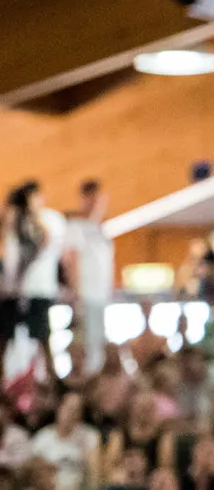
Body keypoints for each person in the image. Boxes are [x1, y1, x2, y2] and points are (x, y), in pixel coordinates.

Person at [4, 182, 65, 379]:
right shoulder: (14, 225)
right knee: (6, 336)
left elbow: (45, 243)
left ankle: (50, 377)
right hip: (12, 292)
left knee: (41, 335)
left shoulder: (47, 221)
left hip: (38, 289)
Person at [64, 182, 113, 380]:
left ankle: (96, 380)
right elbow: (72, 261)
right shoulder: (76, 228)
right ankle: (87, 383)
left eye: (97, 200)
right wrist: (76, 294)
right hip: (86, 295)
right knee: (87, 343)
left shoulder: (103, 232)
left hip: (101, 296)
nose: (94, 205)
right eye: (90, 199)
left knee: (99, 342)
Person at [28, 392, 100, 490]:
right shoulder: (42, 437)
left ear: (81, 415)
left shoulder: (89, 436)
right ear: (59, 408)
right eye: (68, 408)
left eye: (76, 410)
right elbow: (32, 471)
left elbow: (95, 473)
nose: (70, 413)